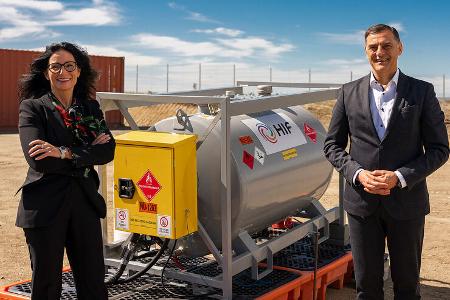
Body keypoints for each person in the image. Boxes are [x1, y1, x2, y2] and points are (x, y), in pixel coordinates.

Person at [324, 24, 449, 299]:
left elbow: (440, 149)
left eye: (386, 45)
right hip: (361, 205)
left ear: (400, 49)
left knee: (407, 287)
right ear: (366, 51)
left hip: (407, 203)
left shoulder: (422, 92)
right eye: (373, 47)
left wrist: (400, 177)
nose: (380, 52)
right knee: (366, 288)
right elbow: (332, 145)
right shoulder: (347, 92)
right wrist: (357, 173)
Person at [16, 42, 115, 299]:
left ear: (79, 71)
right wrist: (85, 151)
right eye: (56, 66)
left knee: (93, 281)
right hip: (45, 205)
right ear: (46, 73)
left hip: (84, 202)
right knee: (47, 284)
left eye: (69, 65)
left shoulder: (90, 108)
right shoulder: (33, 108)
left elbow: (107, 152)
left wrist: (62, 152)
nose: (63, 72)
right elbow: (38, 160)